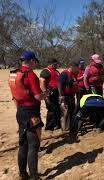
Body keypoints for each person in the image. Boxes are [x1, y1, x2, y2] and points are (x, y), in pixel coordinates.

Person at [8, 50, 45, 180]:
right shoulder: (30, 75)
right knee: (34, 145)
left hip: (20, 112)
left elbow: (15, 97)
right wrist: (46, 94)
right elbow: (38, 96)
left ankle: (23, 174)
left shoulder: (15, 74)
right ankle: (34, 176)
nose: (35, 64)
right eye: (35, 61)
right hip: (31, 113)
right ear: (31, 61)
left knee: (23, 144)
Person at [40, 58, 61, 131]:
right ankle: (49, 127)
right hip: (50, 93)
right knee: (51, 110)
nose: (56, 65)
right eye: (55, 64)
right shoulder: (46, 71)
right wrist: (45, 93)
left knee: (57, 109)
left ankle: (57, 124)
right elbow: (42, 81)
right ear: (51, 64)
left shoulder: (57, 71)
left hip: (57, 93)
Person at [58, 60, 79, 132]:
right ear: (72, 67)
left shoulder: (74, 74)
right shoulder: (64, 74)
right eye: (76, 68)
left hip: (71, 96)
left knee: (72, 112)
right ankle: (64, 129)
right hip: (65, 97)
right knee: (65, 113)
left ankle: (71, 127)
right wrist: (61, 96)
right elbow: (60, 85)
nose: (77, 69)